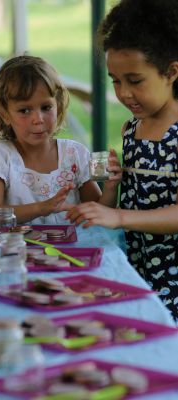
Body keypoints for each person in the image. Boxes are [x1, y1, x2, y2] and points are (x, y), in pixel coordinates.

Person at [66, 0, 178, 321]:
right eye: (115, 80)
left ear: (171, 72)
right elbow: (130, 200)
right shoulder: (132, 128)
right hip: (133, 270)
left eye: (135, 80)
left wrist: (119, 218)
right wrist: (113, 187)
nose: (124, 93)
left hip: (171, 282)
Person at [0, 55, 121, 225]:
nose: (38, 119)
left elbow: (97, 213)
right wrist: (42, 208)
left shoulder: (74, 154)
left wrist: (111, 188)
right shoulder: (0, 156)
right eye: (24, 110)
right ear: (5, 114)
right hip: (18, 249)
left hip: (71, 250)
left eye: (46, 107)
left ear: (57, 106)